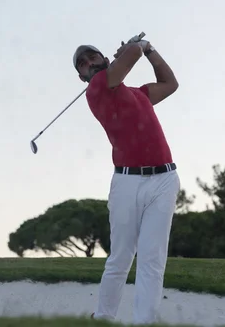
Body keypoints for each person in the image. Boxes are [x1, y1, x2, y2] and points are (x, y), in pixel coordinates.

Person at [72, 35, 181, 325]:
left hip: (164, 179)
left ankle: (143, 322)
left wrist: (151, 51)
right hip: (127, 183)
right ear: (83, 77)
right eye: (82, 64)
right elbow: (131, 54)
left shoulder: (139, 93)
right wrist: (136, 47)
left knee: (152, 261)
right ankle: (103, 317)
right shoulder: (96, 89)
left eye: (92, 57)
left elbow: (171, 84)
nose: (88, 63)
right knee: (120, 258)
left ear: (104, 58)